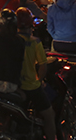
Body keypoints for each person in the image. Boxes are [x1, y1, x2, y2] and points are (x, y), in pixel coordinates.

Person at [16, 8, 56, 140]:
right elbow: (43, 66)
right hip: (30, 86)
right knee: (49, 115)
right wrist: (39, 81)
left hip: (14, 85)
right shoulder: (34, 42)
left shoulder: (10, 41)